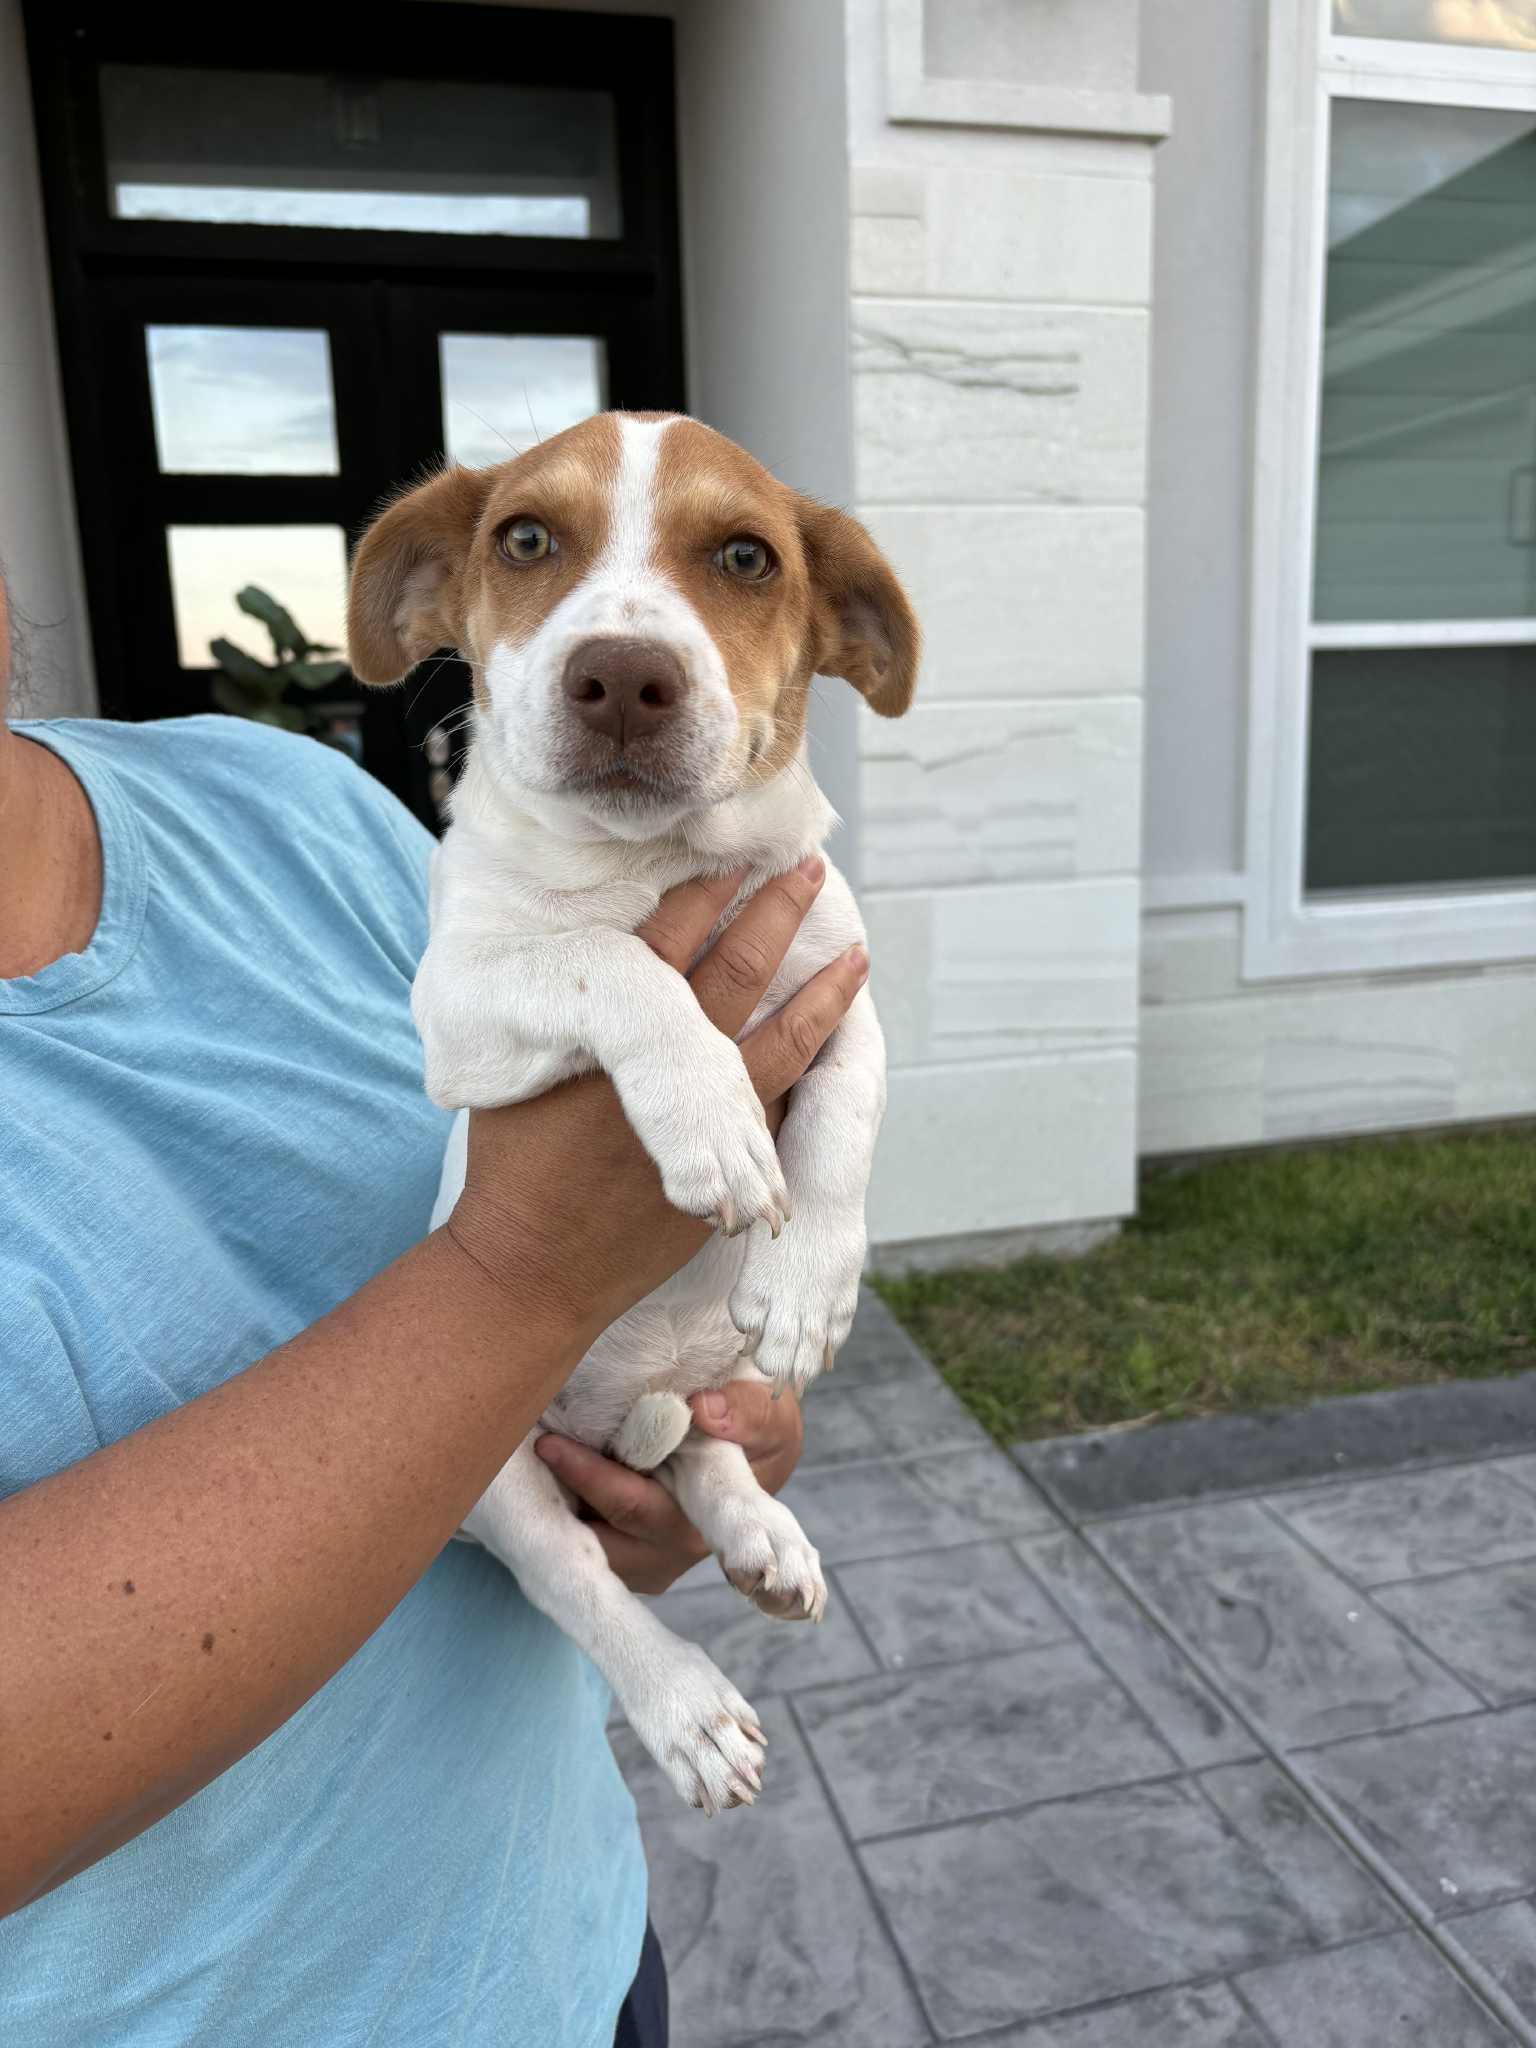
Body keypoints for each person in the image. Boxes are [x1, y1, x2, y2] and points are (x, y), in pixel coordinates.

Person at [0, 561, 866, 2045]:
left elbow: (576, 1132)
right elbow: (528, 1246)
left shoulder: (292, 812)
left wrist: (662, 1463)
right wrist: (517, 1289)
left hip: (566, 1958)